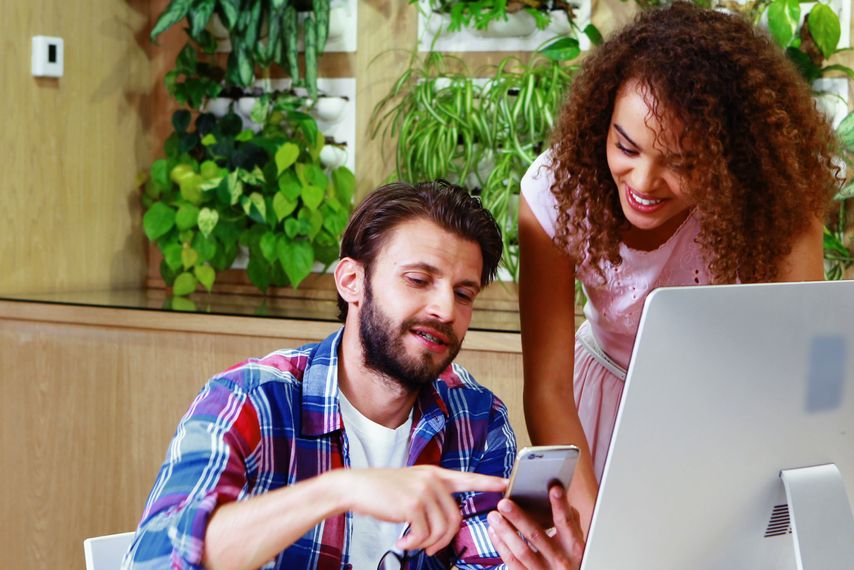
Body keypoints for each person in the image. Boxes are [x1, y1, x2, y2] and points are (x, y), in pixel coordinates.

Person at [125, 181, 583, 569]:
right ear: (351, 282)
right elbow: (154, 557)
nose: (446, 309)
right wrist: (337, 491)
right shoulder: (249, 399)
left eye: (463, 293)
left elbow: (484, 560)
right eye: (418, 280)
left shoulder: (477, 420)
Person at [518, 3, 838, 530]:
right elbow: (547, 389)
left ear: (730, 157)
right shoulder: (558, 190)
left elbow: (804, 360)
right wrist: (595, 527)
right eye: (626, 146)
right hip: (598, 416)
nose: (643, 182)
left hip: (729, 414)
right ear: (603, 121)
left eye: (683, 164)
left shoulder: (778, 199)